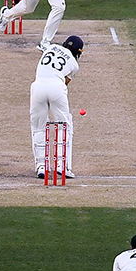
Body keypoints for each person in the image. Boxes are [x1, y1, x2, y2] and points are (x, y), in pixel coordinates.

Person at [30, 35, 82, 178]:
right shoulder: (74, 64)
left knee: (39, 126)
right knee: (64, 125)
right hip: (57, 88)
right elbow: (65, 82)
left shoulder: (50, 47)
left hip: (37, 86)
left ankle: (41, 166)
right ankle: (62, 166)